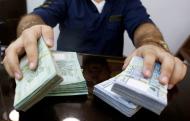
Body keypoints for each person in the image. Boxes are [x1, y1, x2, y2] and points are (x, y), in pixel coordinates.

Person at [3, 0, 187, 89]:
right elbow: (37, 16)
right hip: (66, 76)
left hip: (109, 77)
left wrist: (152, 43)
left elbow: (143, 24)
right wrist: (30, 29)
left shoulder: (128, 2)